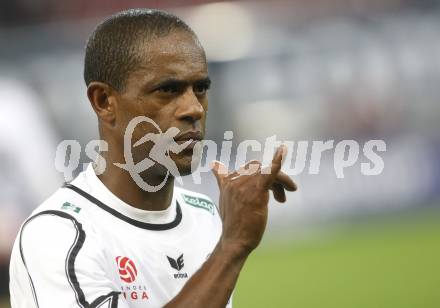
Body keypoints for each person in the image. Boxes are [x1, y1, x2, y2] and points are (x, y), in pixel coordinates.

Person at [9, 9, 297, 308]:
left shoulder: (203, 216)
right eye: (167, 90)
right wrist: (232, 247)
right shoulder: (60, 234)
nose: (194, 109)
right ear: (104, 102)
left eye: (200, 88)